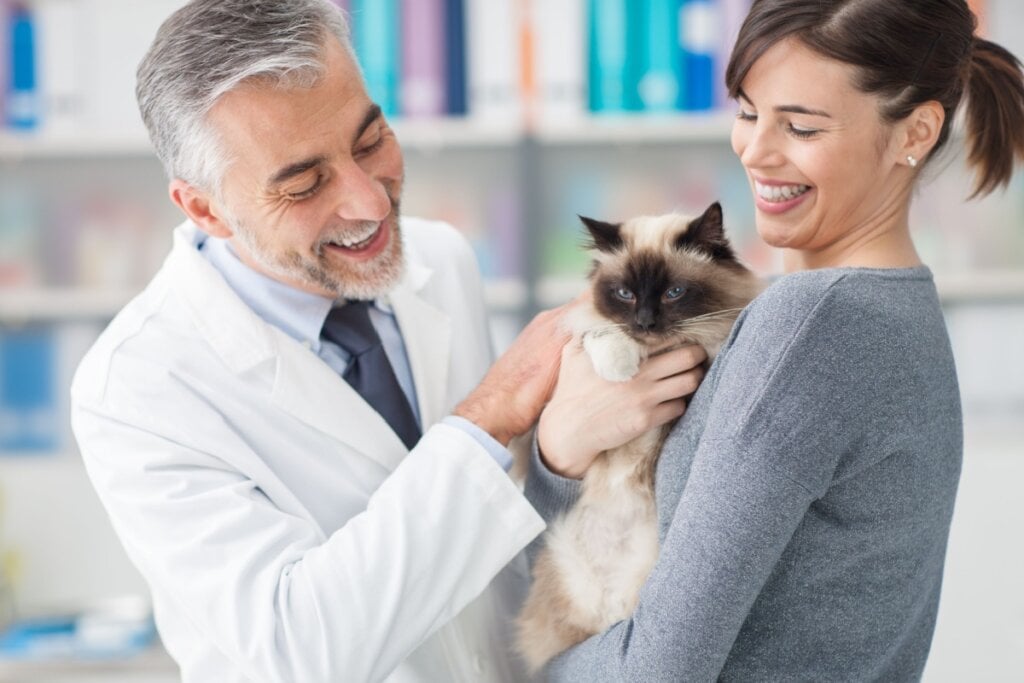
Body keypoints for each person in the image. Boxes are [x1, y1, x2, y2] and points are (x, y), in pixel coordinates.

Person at [68, 1, 706, 681]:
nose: (370, 203)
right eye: (306, 184)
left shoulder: (440, 260)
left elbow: (492, 547)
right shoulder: (137, 387)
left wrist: (557, 455)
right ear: (204, 207)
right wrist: (494, 409)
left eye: (371, 140)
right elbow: (302, 647)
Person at [526, 0, 1024, 680]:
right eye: (748, 111)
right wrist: (567, 450)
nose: (755, 150)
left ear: (916, 131)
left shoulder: (810, 324)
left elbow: (654, 671)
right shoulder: (898, 304)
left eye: (801, 125)